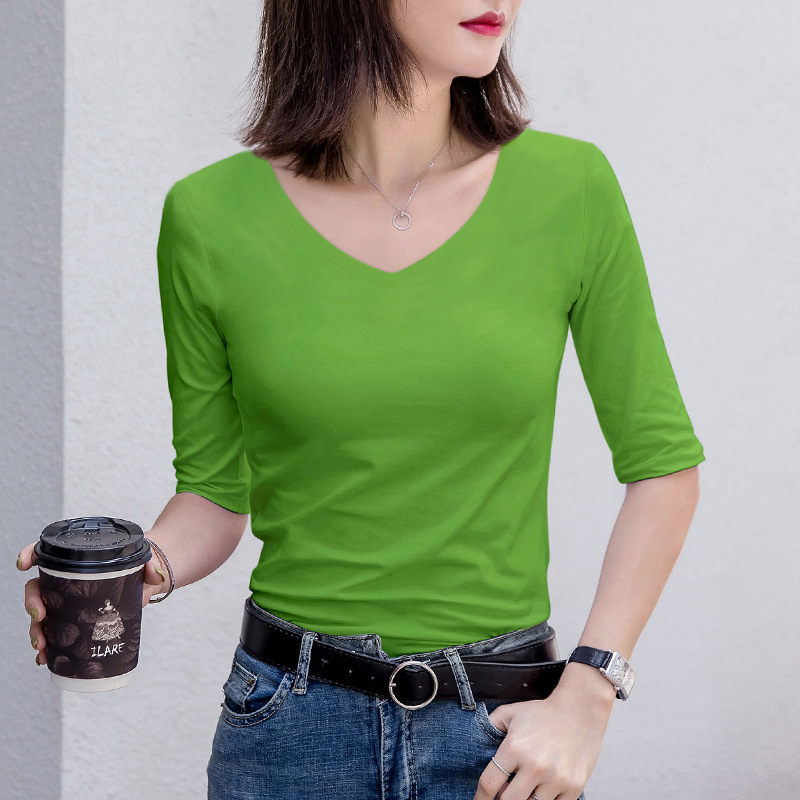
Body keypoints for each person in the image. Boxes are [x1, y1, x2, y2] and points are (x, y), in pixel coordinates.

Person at [18, 2, 705, 798]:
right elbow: (213, 493)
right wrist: (143, 569)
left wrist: (590, 687)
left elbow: (664, 469)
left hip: (500, 735)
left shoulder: (570, 188)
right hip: (286, 728)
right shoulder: (208, 217)